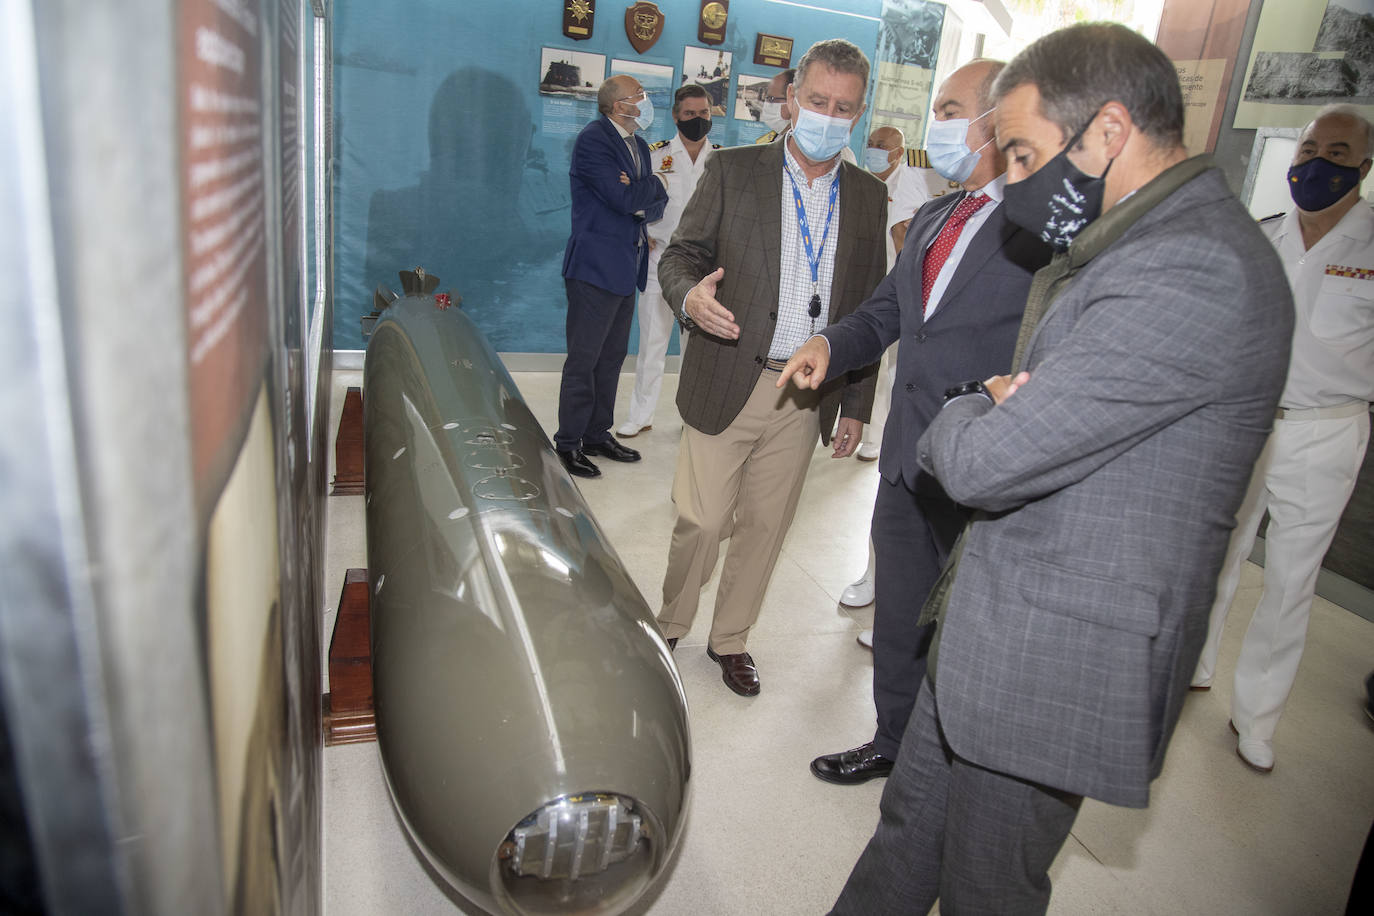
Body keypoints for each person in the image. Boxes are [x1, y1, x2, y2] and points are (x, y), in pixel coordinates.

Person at [813, 23, 1293, 913]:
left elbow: (987, 463)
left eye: (1026, 154)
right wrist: (998, 399)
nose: (1015, 181)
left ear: (1107, 132)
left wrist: (973, 406)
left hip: (1053, 656)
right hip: (993, 624)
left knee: (988, 884)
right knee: (910, 834)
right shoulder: (1128, 245)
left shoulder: (1190, 269)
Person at [780, 60, 1051, 785]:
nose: (939, 122)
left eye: (951, 107)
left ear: (997, 120)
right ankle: (893, 742)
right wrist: (830, 344)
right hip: (906, 458)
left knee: (965, 632)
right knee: (900, 619)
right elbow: (889, 314)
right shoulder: (935, 214)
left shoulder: (1041, 228)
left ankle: (956, 764)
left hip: (981, 468)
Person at [655, 38, 888, 697]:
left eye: (843, 107)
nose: (827, 115)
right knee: (700, 521)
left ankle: (729, 640)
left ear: (859, 111)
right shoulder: (735, 171)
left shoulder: (868, 198)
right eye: (816, 100)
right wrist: (690, 298)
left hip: (805, 394)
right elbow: (680, 258)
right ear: (792, 100)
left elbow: (872, 307)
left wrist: (857, 406)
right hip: (727, 374)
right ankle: (668, 624)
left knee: (765, 526)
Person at [1190, 105, 1374, 774]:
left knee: (1292, 578)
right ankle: (1195, 665)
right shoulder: (1263, 234)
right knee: (1219, 551)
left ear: (1363, 165)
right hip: (1248, 420)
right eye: (1308, 146)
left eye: (1338, 149)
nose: (1316, 160)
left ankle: (1256, 717)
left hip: (1327, 430)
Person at [554, 75, 669, 479]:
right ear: (619, 104)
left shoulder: (638, 145)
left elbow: (657, 204)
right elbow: (624, 198)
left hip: (625, 266)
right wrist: (648, 188)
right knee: (583, 361)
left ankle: (596, 434)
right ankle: (568, 443)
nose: (646, 101)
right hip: (593, 268)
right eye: (640, 95)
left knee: (610, 359)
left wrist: (647, 187)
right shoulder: (593, 140)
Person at [617, 85, 721, 439]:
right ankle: (640, 415)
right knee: (652, 345)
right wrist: (640, 227)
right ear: (676, 116)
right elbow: (635, 197)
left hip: (703, 269)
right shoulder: (654, 154)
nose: (697, 120)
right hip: (660, 259)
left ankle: (694, 417)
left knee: (698, 350)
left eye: (703, 113)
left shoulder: (722, 159)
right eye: (690, 114)